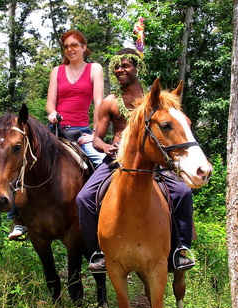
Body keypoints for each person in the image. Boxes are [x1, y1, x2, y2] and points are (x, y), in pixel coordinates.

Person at [76, 48, 196, 272]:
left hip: (153, 161)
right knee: (84, 198)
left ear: (137, 68)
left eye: (126, 65)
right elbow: (96, 139)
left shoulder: (155, 99)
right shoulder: (110, 102)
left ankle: (181, 248)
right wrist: (107, 147)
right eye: (117, 67)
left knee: (182, 193)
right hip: (117, 161)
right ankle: (97, 252)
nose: (120, 69)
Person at [8, 30, 105, 240]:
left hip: (82, 133)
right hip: (55, 132)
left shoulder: (94, 69)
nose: (71, 49)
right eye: (67, 46)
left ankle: (104, 216)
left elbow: (99, 103)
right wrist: (52, 113)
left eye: (75, 45)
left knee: (106, 164)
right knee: (17, 160)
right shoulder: (57, 71)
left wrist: (96, 134)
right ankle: (18, 218)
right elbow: (50, 103)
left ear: (84, 47)